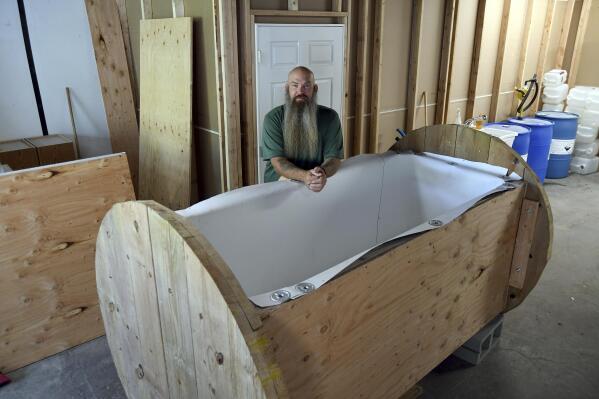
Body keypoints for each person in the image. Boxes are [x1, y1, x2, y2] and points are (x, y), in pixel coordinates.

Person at [260, 66, 343, 192]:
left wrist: (323, 172)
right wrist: (305, 176)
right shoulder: (273, 118)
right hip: (278, 186)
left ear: (315, 89)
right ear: (287, 89)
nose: (300, 91)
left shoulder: (330, 117)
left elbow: (334, 159)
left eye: (306, 86)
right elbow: (278, 162)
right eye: (295, 85)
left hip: (316, 183)